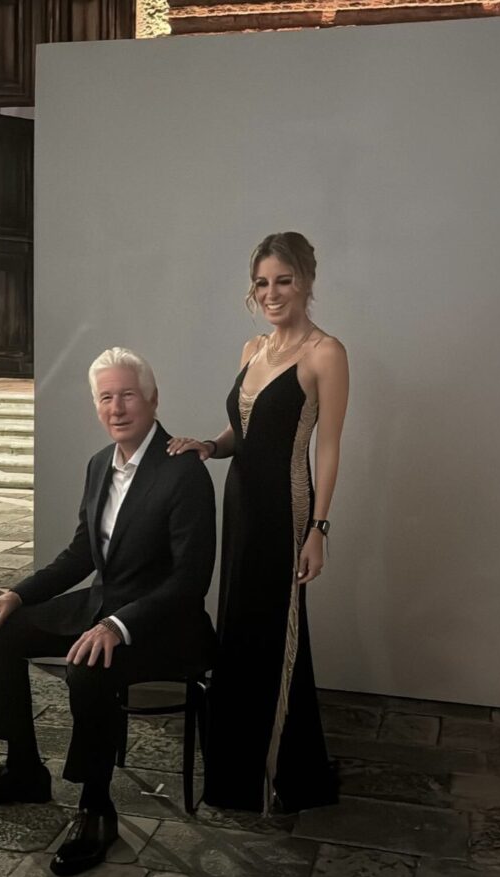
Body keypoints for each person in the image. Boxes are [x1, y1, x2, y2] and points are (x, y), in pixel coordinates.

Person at [0, 347, 216, 876]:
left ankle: (97, 807)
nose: (117, 408)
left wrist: (119, 625)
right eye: (105, 397)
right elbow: (80, 554)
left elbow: (190, 581)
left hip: (166, 624)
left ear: (153, 399)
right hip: (104, 604)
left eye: (128, 395)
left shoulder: (183, 472)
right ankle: (24, 771)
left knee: (89, 665)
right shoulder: (99, 465)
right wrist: (18, 594)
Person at [169, 231, 349, 813]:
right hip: (241, 503)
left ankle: (279, 773)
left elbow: (328, 447)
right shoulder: (252, 348)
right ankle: (236, 769)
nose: (271, 293)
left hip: (285, 509)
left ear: (307, 282)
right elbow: (243, 431)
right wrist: (209, 446)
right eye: (262, 283)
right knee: (239, 624)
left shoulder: (325, 353)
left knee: (276, 629)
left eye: (283, 281)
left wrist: (318, 529)